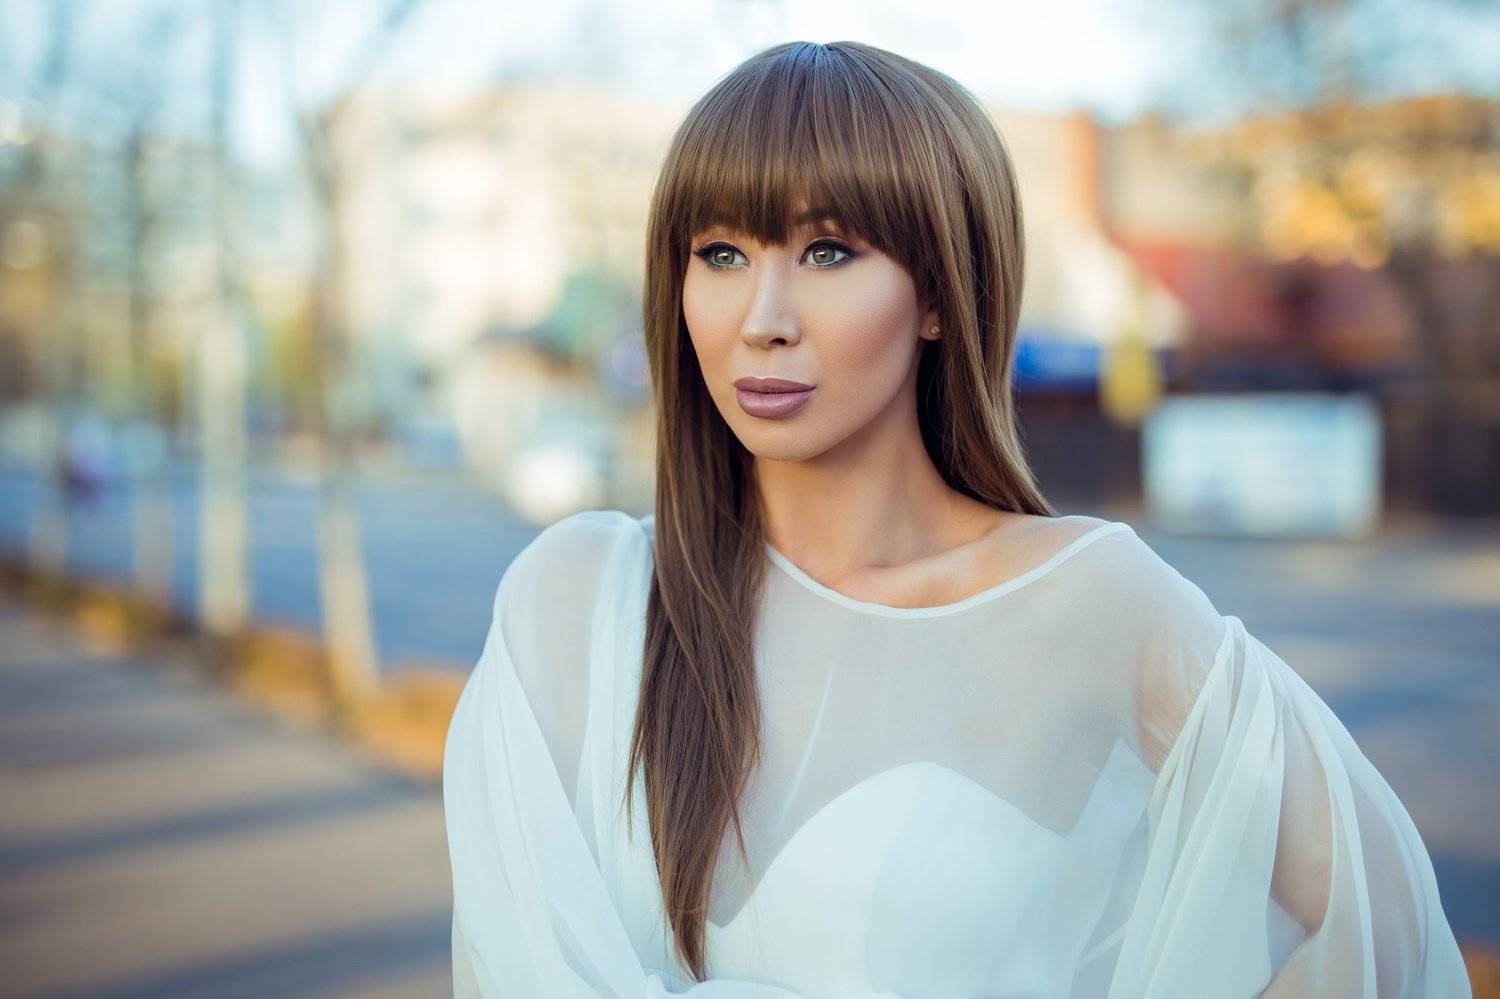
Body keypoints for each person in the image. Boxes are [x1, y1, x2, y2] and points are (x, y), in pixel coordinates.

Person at [441, 40, 1471, 998]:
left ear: (939, 294)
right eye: (720, 253)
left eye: (827, 252)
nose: (763, 319)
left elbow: (1381, 928)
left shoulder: (1083, 601)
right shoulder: (579, 601)